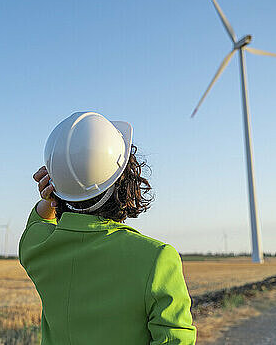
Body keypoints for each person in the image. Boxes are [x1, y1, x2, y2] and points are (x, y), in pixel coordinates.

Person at [19, 111, 196, 344]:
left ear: (54, 184)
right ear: (125, 181)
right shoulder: (156, 259)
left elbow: (38, 222)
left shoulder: (38, 248)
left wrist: (51, 196)